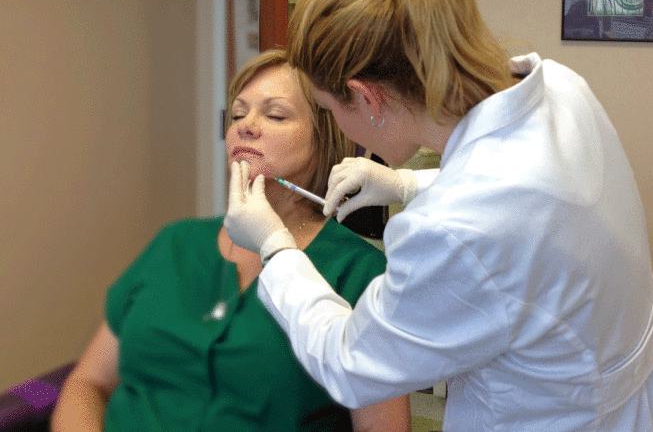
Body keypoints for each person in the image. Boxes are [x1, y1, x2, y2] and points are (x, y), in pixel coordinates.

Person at [223, 0, 653, 432]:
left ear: (368, 97)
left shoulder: (450, 232)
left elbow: (351, 364)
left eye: (328, 108)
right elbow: (532, 198)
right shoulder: (562, 90)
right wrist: (407, 183)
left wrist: (275, 246)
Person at [50, 49, 412, 432]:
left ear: (323, 137)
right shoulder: (174, 243)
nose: (246, 126)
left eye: (274, 114)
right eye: (237, 114)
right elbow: (87, 383)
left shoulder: (360, 272)